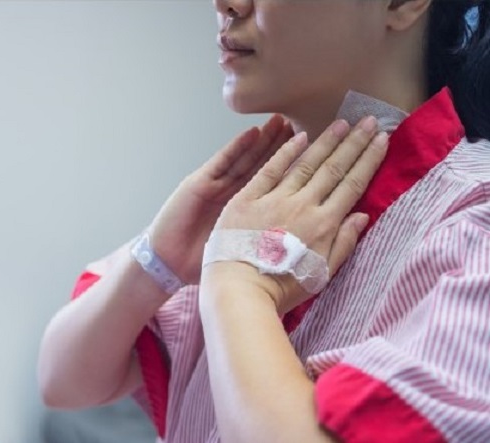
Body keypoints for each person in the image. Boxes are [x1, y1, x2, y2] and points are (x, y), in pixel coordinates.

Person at [38, 0, 490, 441]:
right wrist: (158, 262)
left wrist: (238, 284)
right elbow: (64, 382)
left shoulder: (475, 219)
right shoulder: (250, 207)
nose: (226, 5)